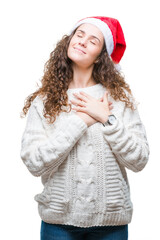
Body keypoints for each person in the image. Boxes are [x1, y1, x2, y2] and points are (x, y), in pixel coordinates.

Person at [20, 16, 149, 240]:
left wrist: (107, 119)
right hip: (58, 224)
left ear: (101, 57)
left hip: (111, 224)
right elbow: (34, 163)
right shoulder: (44, 101)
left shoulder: (118, 99)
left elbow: (139, 159)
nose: (82, 41)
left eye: (93, 40)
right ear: (69, 41)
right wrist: (81, 122)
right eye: (79, 35)